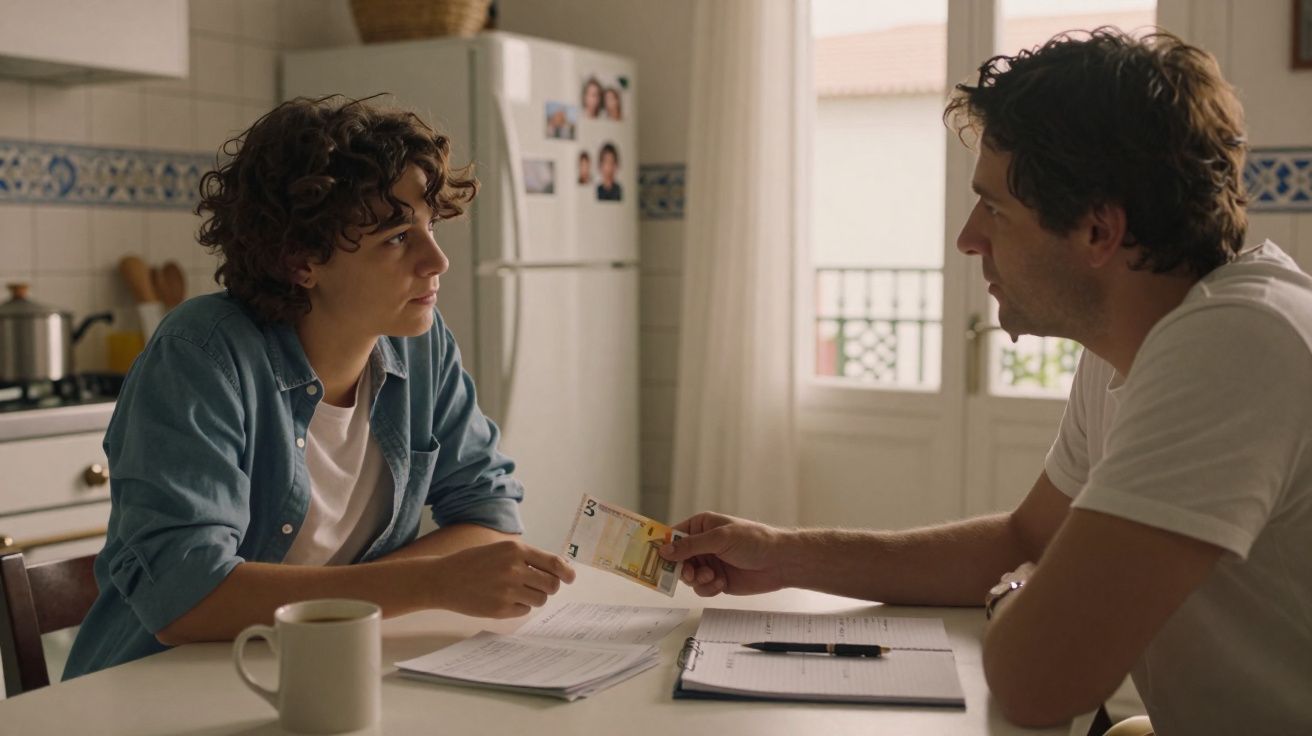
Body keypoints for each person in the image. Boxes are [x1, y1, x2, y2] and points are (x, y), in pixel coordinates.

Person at [660, 29, 1312, 735]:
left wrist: (1018, 591)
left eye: (995, 207)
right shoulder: (1137, 343)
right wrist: (784, 553)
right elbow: (1024, 536)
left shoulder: (1232, 345)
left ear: (1099, 232)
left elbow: (1037, 682)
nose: (969, 238)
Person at [63, 95, 575, 679]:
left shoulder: (421, 344)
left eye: (429, 227)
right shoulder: (201, 353)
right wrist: (429, 581)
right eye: (398, 237)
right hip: (161, 690)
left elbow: (490, 519)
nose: (437, 260)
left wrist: (388, 591)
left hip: (320, 673)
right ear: (301, 258)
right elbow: (186, 598)